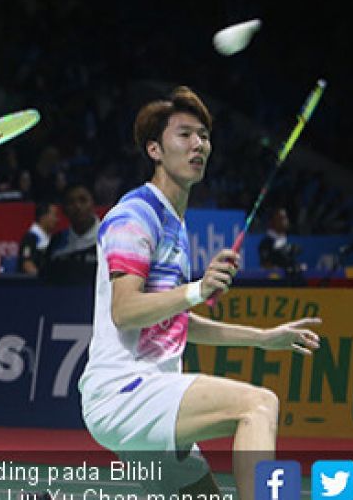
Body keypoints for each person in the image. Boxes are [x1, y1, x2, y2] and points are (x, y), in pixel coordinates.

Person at [77, 86, 321, 499]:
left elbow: (173, 323)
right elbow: (125, 310)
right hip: (125, 390)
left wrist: (263, 339)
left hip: (149, 399)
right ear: (155, 150)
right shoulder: (134, 215)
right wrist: (197, 288)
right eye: (185, 135)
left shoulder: (174, 222)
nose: (199, 145)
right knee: (257, 405)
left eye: (204, 136)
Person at [44, 183, 100, 286]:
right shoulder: (57, 242)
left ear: (93, 203)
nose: (77, 206)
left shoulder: (109, 238)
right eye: (71, 202)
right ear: (64, 209)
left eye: (83, 200)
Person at [257, 207, 305, 281]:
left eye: (286, 218)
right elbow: (267, 267)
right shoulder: (266, 243)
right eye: (281, 218)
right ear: (271, 222)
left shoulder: (287, 242)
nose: (285, 221)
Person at [18, 202, 59, 275]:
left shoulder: (53, 238)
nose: (57, 220)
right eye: (54, 215)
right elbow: (27, 264)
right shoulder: (30, 238)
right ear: (43, 217)